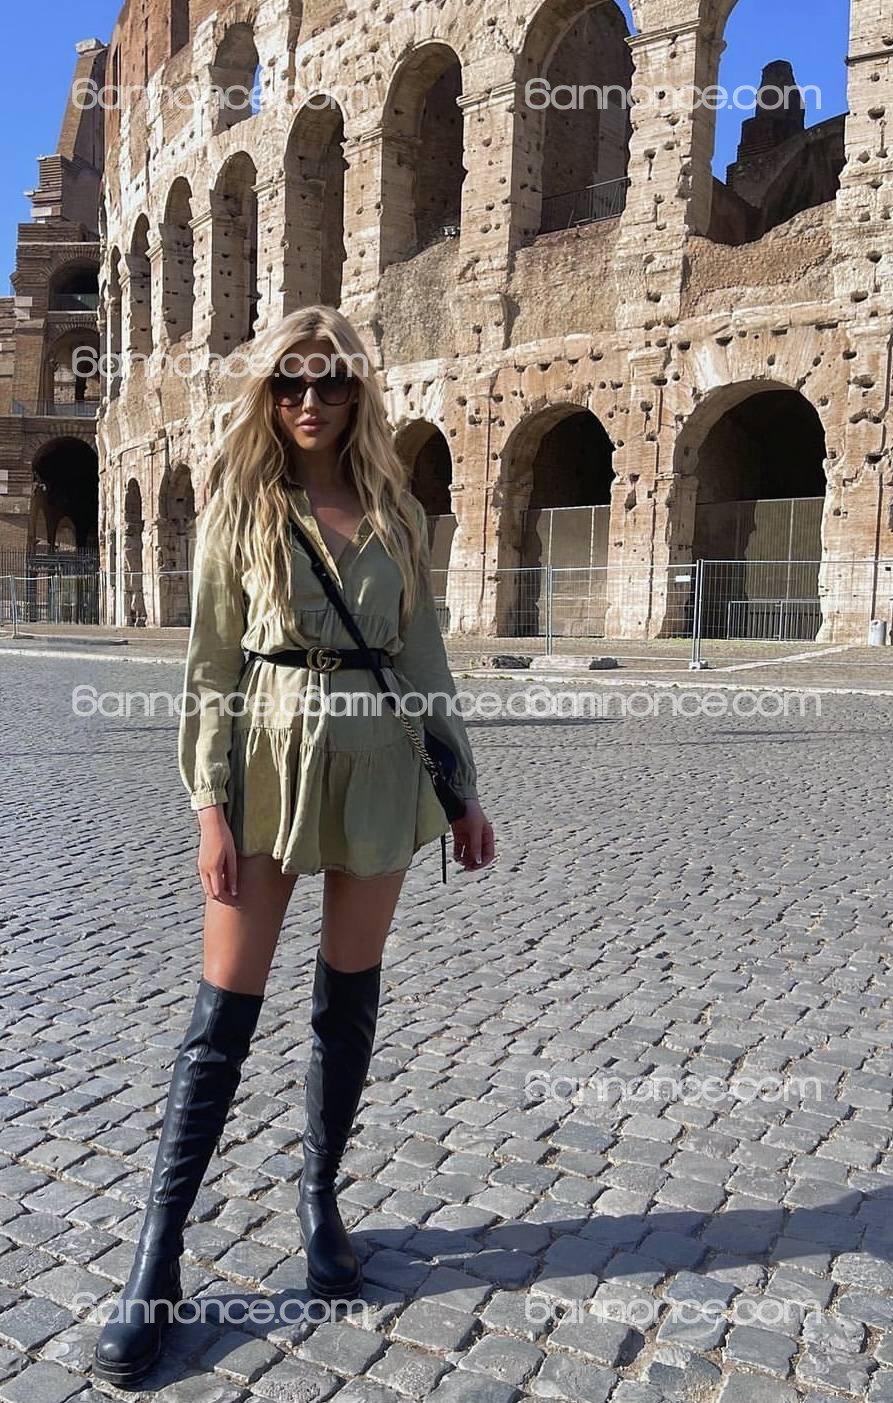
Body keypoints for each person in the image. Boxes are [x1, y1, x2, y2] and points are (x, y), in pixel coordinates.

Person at [92, 305, 496, 1386]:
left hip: (379, 768)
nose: (310, 400)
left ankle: (320, 1200)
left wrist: (462, 789)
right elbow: (210, 669)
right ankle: (155, 1259)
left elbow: (423, 659)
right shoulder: (239, 507)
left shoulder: (398, 513)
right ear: (268, 396)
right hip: (266, 764)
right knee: (219, 1022)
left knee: (345, 1002)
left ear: (358, 393)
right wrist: (208, 807)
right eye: (290, 383)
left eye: (330, 381)